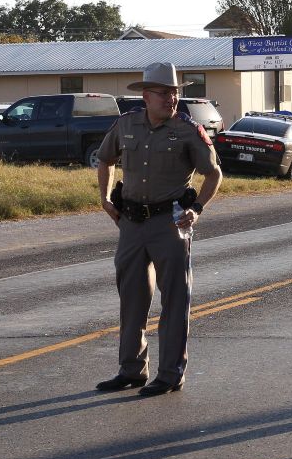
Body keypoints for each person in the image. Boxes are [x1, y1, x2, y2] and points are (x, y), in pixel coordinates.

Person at [96, 62, 223, 397]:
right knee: (132, 298)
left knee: (175, 299)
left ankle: (169, 374)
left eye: (176, 92)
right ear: (146, 95)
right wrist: (105, 198)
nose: (172, 98)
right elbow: (105, 159)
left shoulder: (187, 130)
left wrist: (196, 209)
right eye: (165, 92)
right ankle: (132, 369)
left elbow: (213, 174)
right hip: (131, 223)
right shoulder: (127, 125)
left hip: (170, 222)